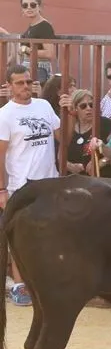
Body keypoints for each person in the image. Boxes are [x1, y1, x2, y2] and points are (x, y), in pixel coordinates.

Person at [0, 64, 62, 306]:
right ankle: (19, 285)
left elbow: (61, 137)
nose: (25, 86)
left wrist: (67, 112)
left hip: (50, 182)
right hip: (20, 185)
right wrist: (2, 189)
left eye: (28, 81)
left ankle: (46, 281)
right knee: (21, 237)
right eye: (19, 83)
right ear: (9, 86)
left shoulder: (44, 106)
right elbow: (0, 155)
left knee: (51, 233)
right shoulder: (5, 115)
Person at [17, 0, 56, 83]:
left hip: (39, 70)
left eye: (33, 5)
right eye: (25, 5)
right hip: (30, 69)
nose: (29, 8)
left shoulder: (44, 26)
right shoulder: (32, 25)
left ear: (39, 7)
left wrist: (26, 50)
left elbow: (49, 53)